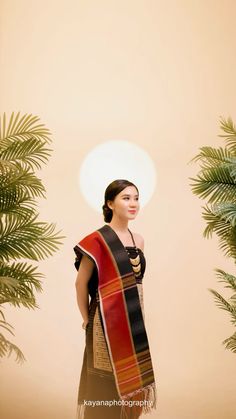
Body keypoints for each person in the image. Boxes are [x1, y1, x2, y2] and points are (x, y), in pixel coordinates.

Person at [73, 179, 157, 419]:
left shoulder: (138, 240)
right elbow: (80, 284)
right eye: (126, 198)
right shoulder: (96, 241)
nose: (133, 204)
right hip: (103, 323)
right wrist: (85, 319)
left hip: (133, 322)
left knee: (134, 378)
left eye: (136, 198)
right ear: (110, 203)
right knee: (106, 379)